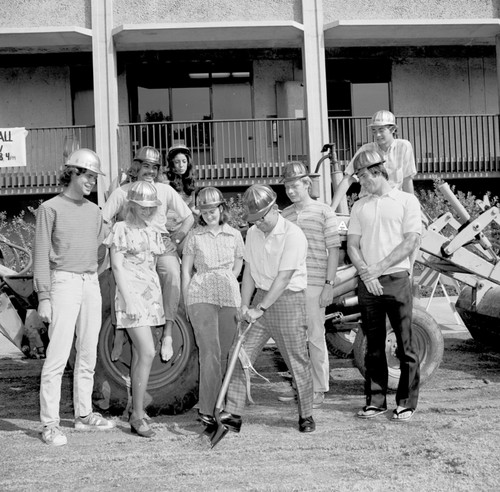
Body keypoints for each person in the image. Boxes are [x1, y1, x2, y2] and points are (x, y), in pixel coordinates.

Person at [34, 148, 116, 447]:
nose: (92, 182)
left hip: (89, 282)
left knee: (88, 353)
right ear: (72, 173)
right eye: (89, 176)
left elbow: (97, 251)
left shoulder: (95, 211)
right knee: (57, 356)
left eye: (95, 177)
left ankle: (83, 416)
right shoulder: (49, 208)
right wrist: (44, 296)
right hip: (63, 283)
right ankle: (50, 424)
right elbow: (41, 256)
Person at [221, 184, 315, 434]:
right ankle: (233, 414)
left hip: (288, 300)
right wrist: (244, 304)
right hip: (261, 299)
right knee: (239, 354)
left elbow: (283, 278)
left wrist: (259, 308)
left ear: (274, 210)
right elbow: (249, 272)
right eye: (253, 220)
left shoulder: (293, 235)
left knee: (296, 360)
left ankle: (306, 415)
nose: (258, 224)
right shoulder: (253, 233)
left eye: (261, 218)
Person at [346, 149, 422, 422]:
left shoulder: (406, 201)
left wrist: (377, 269)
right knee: (373, 347)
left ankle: (406, 403)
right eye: (358, 177)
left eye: (363, 175)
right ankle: (376, 402)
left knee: (405, 345)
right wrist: (367, 274)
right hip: (369, 284)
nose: (361, 181)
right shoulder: (359, 206)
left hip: (396, 279)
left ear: (378, 171)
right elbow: (352, 245)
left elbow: (411, 241)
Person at [103, 146, 194, 362]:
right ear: (136, 168)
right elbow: (104, 220)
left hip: (160, 244)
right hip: (131, 247)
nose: (150, 171)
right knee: (117, 278)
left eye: (154, 167)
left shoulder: (165, 190)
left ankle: (168, 333)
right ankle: (118, 331)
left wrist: (176, 238)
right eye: (146, 166)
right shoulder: (122, 192)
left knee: (172, 274)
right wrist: (116, 240)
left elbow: (188, 217)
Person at [104, 181, 165, 437]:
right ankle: (138, 415)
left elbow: (153, 266)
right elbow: (117, 266)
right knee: (148, 352)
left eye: (150, 207)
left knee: (142, 355)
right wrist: (128, 300)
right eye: (142, 207)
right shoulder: (120, 229)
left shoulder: (154, 231)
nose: (147, 211)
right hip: (131, 297)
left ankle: (136, 411)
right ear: (132, 205)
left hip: (151, 297)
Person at [181, 187, 244, 428]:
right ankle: (208, 409)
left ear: (221, 208)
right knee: (210, 354)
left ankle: (226, 407)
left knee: (228, 354)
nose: (209, 214)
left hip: (229, 297)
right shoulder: (195, 236)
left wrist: (226, 279)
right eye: (204, 210)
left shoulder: (235, 235)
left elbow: (238, 265)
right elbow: (186, 271)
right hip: (201, 296)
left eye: (213, 209)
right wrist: (188, 300)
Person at [281, 162, 341, 408]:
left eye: (295, 185)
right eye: (287, 186)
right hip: (291, 285)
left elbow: (334, 249)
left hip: (316, 283)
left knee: (315, 338)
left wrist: (329, 284)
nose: (291, 191)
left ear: (307, 183)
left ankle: (318, 389)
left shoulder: (324, 211)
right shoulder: (285, 216)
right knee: (293, 341)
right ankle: (300, 387)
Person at [331, 110, 417, 212]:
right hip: (368, 203)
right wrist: (331, 209)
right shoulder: (365, 150)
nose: (377, 135)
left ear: (392, 129)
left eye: (381, 130)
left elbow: (407, 179)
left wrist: (413, 208)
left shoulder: (404, 146)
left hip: (394, 205)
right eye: (374, 130)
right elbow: (348, 179)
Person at [165, 145, 198, 253]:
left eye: (184, 161)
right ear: (172, 163)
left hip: (181, 229)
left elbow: (192, 207)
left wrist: (208, 214)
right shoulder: (165, 181)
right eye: (177, 162)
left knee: (192, 250)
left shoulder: (190, 182)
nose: (181, 165)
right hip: (164, 229)